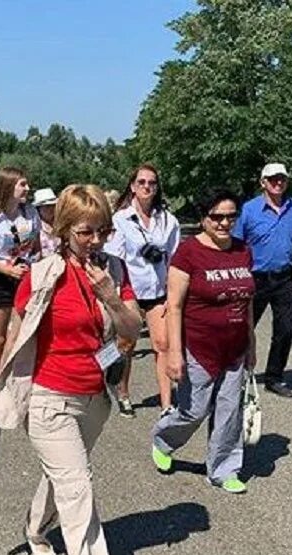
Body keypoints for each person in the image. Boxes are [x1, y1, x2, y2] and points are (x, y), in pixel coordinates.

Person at [0, 184, 141, 555]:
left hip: (95, 396)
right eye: (86, 232)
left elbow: (133, 329)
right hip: (49, 397)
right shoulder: (42, 274)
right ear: (64, 229)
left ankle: (35, 527)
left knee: (63, 478)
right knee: (78, 486)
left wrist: (111, 295)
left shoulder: (113, 269)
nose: (95, 241)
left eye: (103, 231)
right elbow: (18, 332)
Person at [152, 188, 255, 494]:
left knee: (229, 411)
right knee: (194, 410)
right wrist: (173, 353)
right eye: (217, 217)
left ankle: (224, 469)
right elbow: (175, 306)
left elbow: (248, 300)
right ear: (203, 218)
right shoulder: (188, 253)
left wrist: (251, 343)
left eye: (231, 216)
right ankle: (163, 439)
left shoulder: (242, 250)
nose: (224, 223)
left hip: (234, 346)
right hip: (198, 346)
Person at [104, 163, 180, 418]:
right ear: (133, 187)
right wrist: (116, 295)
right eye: (142, 182)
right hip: (131, 289)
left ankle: (167, 403)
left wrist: (174, 292)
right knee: (127, 345)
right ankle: (122, 391)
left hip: (158, 289)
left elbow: (175, 258)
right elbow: (115, 258)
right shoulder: (121, 219)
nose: (147, 187)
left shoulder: (168, 220)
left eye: (152, 183)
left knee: (162, 344)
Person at [233, 162, 292, 398]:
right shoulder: (249, 210)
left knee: (284, 330)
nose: (278, 183)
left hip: (285, 278)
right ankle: (234, 375)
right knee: (242, 329)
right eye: (273, 179)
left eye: (282, 179)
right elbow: (236, 244)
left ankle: (274, 377)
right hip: (254, 278)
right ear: (263, 182)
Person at [0, 167, 41, 380]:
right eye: (22, 184)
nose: (27, 188)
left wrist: (34, 262)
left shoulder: (30, 213)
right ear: (8, 186)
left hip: (26, 277)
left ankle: (19, 379)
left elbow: (37, 247)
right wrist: (7, 269)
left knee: (24, 334)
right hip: (1, 279)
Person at [33, 187, 59, 257]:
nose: (51, 209)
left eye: (53, 205)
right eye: (47, 206)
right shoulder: (34, 227)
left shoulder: (60, 224)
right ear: (39, 209)